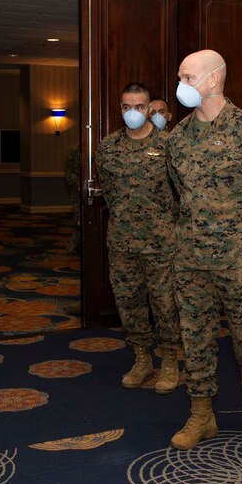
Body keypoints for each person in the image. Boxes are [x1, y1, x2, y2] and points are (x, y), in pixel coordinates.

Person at [165, 50, 242, 460]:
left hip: (241, 259)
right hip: (191, 259)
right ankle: (201, 414)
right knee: (195, 339)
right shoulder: (178, 139)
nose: (181, 83)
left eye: (188, 76)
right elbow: (178, 195)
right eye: (181, 76)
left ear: (213, 80)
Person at [95, 83, 182, 393]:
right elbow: (109, 191)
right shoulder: (107, 147)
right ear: (121, 108)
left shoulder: (171, 145)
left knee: (165, 305)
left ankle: (170, 362)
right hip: (122, 242)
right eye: (126, 107)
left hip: (162, 243)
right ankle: (142, 359)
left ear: (150, 108)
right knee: (129, 304)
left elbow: (181, 194)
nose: (133, 112)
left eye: (140, 107)